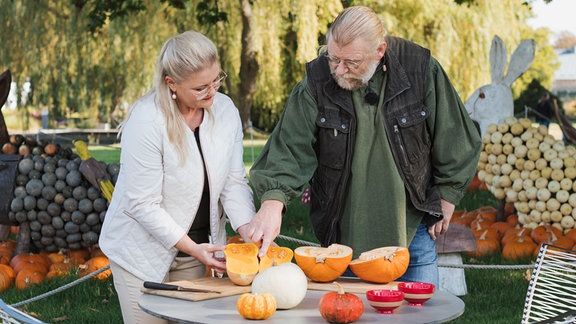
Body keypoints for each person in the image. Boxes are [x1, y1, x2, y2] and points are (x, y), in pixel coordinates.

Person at [247, 6, 481, 286]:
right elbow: (289, 147)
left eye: (351, 62)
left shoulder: (420, 68)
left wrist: (449, 193)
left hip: (413, 230)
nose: (339, 70)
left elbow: (453, 132)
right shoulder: (317, 82)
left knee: (419, 316)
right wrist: (273, 202)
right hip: (343, 237)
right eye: (333, 58)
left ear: (379, 50)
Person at [99, 30, 255, 324]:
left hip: (195, 252)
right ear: (171, 83)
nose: (212, 93)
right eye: (200, 88)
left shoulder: (226, 111)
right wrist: (194, 248)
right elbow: (142, 204)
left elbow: (233, 182)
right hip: (139, 252)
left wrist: (249, 229)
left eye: (216, 80)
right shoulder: (146, 119)